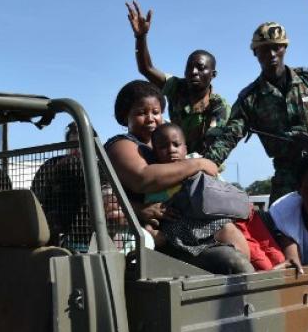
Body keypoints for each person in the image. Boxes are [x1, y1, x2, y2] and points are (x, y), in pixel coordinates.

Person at [104, 80, 250, 273]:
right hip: (153, 232)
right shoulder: (121, 144)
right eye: (141, 113)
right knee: (229, 261)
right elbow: (143, 178)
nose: (150, 119)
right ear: (125, 116)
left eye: (156, 112)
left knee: (233, 238)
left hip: (184, 221)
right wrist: (197, 163)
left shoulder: (161, 146)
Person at [204, 22, 308, 204]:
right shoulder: (250, 99)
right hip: (287, 175)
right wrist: (205, 163)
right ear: (255, 52)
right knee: (277, 218)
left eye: (277, 47)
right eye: (265, 49)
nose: (272, 54)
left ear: (285, 48)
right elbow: (229, 137)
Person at [126, 1, 230, 154]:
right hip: (174, 157)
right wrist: (141, 37)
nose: (193, 72)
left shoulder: (218, 106)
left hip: (203, 161)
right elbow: (146, 68)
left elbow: (212, 145)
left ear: (213, 75)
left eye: (200, 68)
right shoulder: (176, 87)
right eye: (189, 67)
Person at [144, 123, 251, 263]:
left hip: (207, 219)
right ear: (155, 152)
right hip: (177, 226)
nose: (171, 150)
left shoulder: (197, 162)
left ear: (185, 148)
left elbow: (217, 183)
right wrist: (150, 228)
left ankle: (246, 268)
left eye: (176, 145)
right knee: (160, 235)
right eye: (163, 147)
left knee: (228, 228)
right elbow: (152, 212)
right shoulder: (156, 179)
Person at [30, 122, 88, 247]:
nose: (77, 149)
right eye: (73, 144)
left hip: (86, 232)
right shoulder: (51, 165)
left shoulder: (99, 168)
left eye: (81, 144)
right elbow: (35, 198)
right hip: (54, 232)